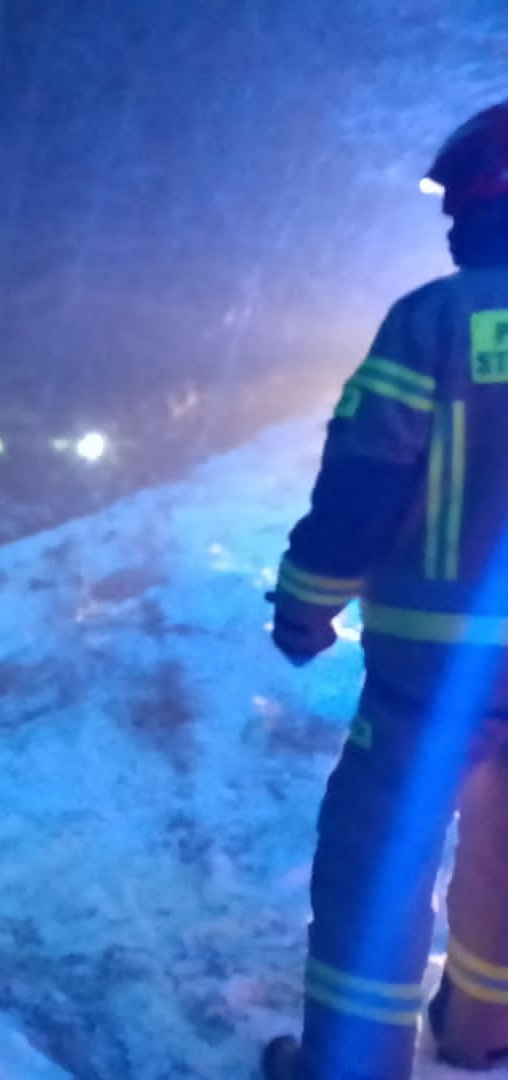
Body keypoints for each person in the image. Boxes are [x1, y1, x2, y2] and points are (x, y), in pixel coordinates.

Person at [264, 102, 508, 1079]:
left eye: (455, 203)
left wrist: (305, 601)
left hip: (431, 675)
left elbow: (364, 480)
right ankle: (485, 1030)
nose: (448, 223)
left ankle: (352, 1067)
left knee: (378, 859)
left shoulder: (434, 321)